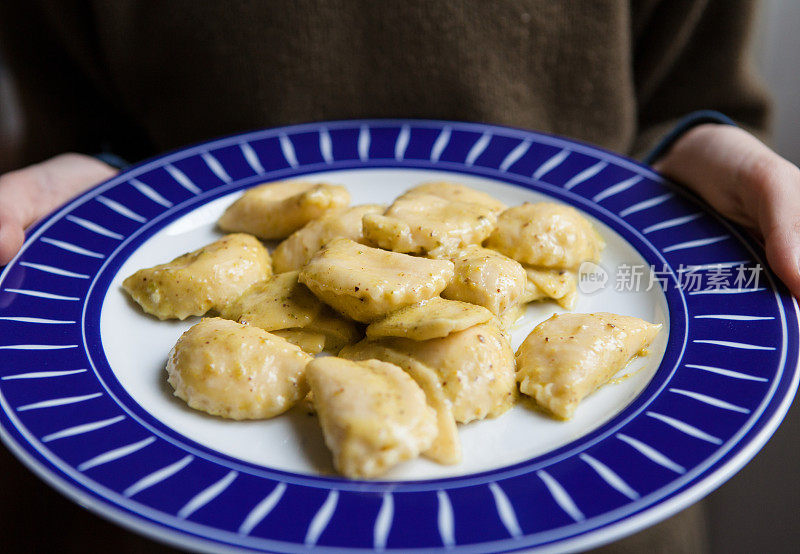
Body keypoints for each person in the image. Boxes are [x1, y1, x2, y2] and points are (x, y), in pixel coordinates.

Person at [0, 1, 797, 552]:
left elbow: (693, 95)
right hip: (156, 513)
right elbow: (77, 116)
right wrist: (76, 181)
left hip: (596, 515)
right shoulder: (293, 281)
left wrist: (697, 156)